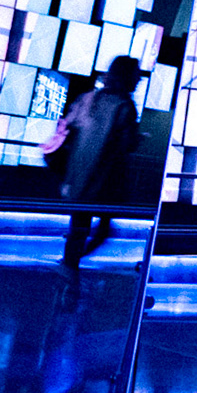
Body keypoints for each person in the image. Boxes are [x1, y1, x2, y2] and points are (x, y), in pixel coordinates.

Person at [55, 55, 142, 269]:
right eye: (136, 75)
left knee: (79, 226)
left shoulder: (88, 99)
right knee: (103, 229)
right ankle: (71, 263)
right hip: (106, 180)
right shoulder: (125, 107)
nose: (139, 79)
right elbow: (127, 144)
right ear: (128, 76)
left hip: (79, 175)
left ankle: (69, 262)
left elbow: (69, 128)